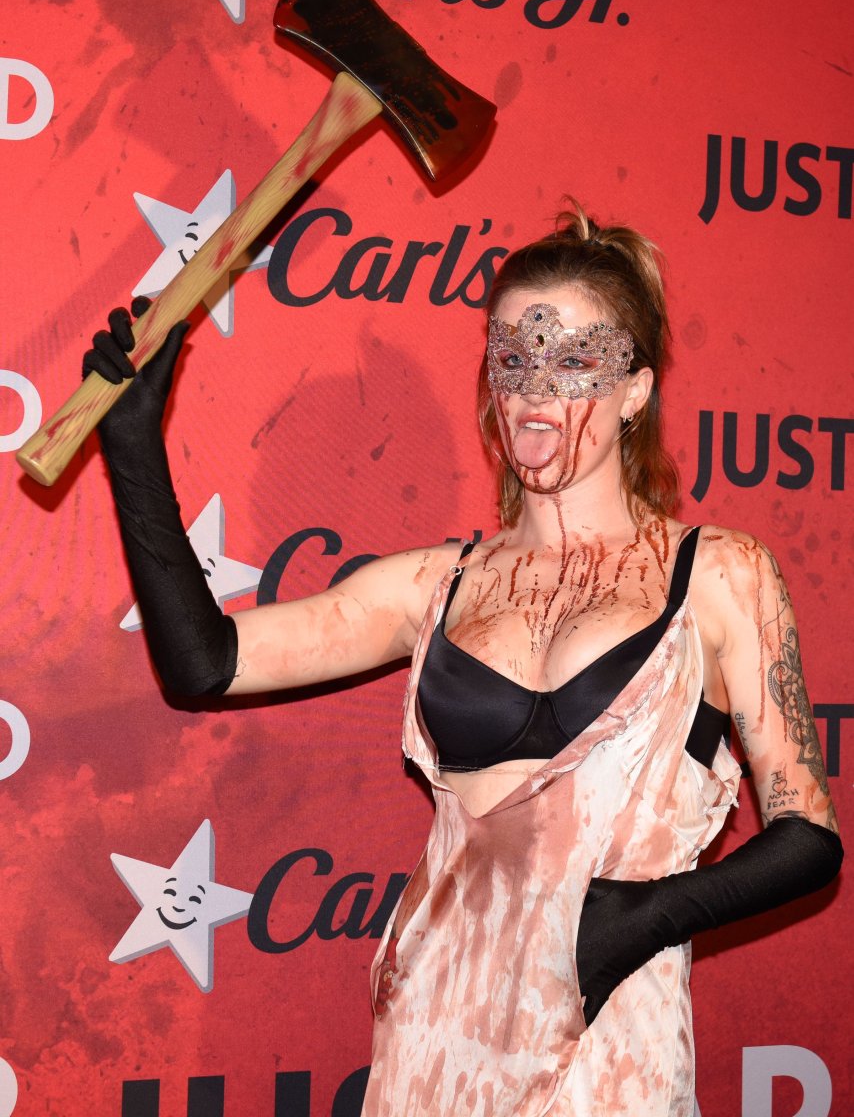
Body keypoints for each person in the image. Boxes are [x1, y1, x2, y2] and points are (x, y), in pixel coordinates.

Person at [86, 201, 842, 1116]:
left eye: (575, 362)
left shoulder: (720, 574)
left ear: (635, 389)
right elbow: (207, 663)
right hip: (431, 1036)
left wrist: (645, 919)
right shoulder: (433, 586)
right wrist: (133, 446)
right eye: (513, 359)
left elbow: (808, 839)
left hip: (607, 1049)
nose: (535, 389)